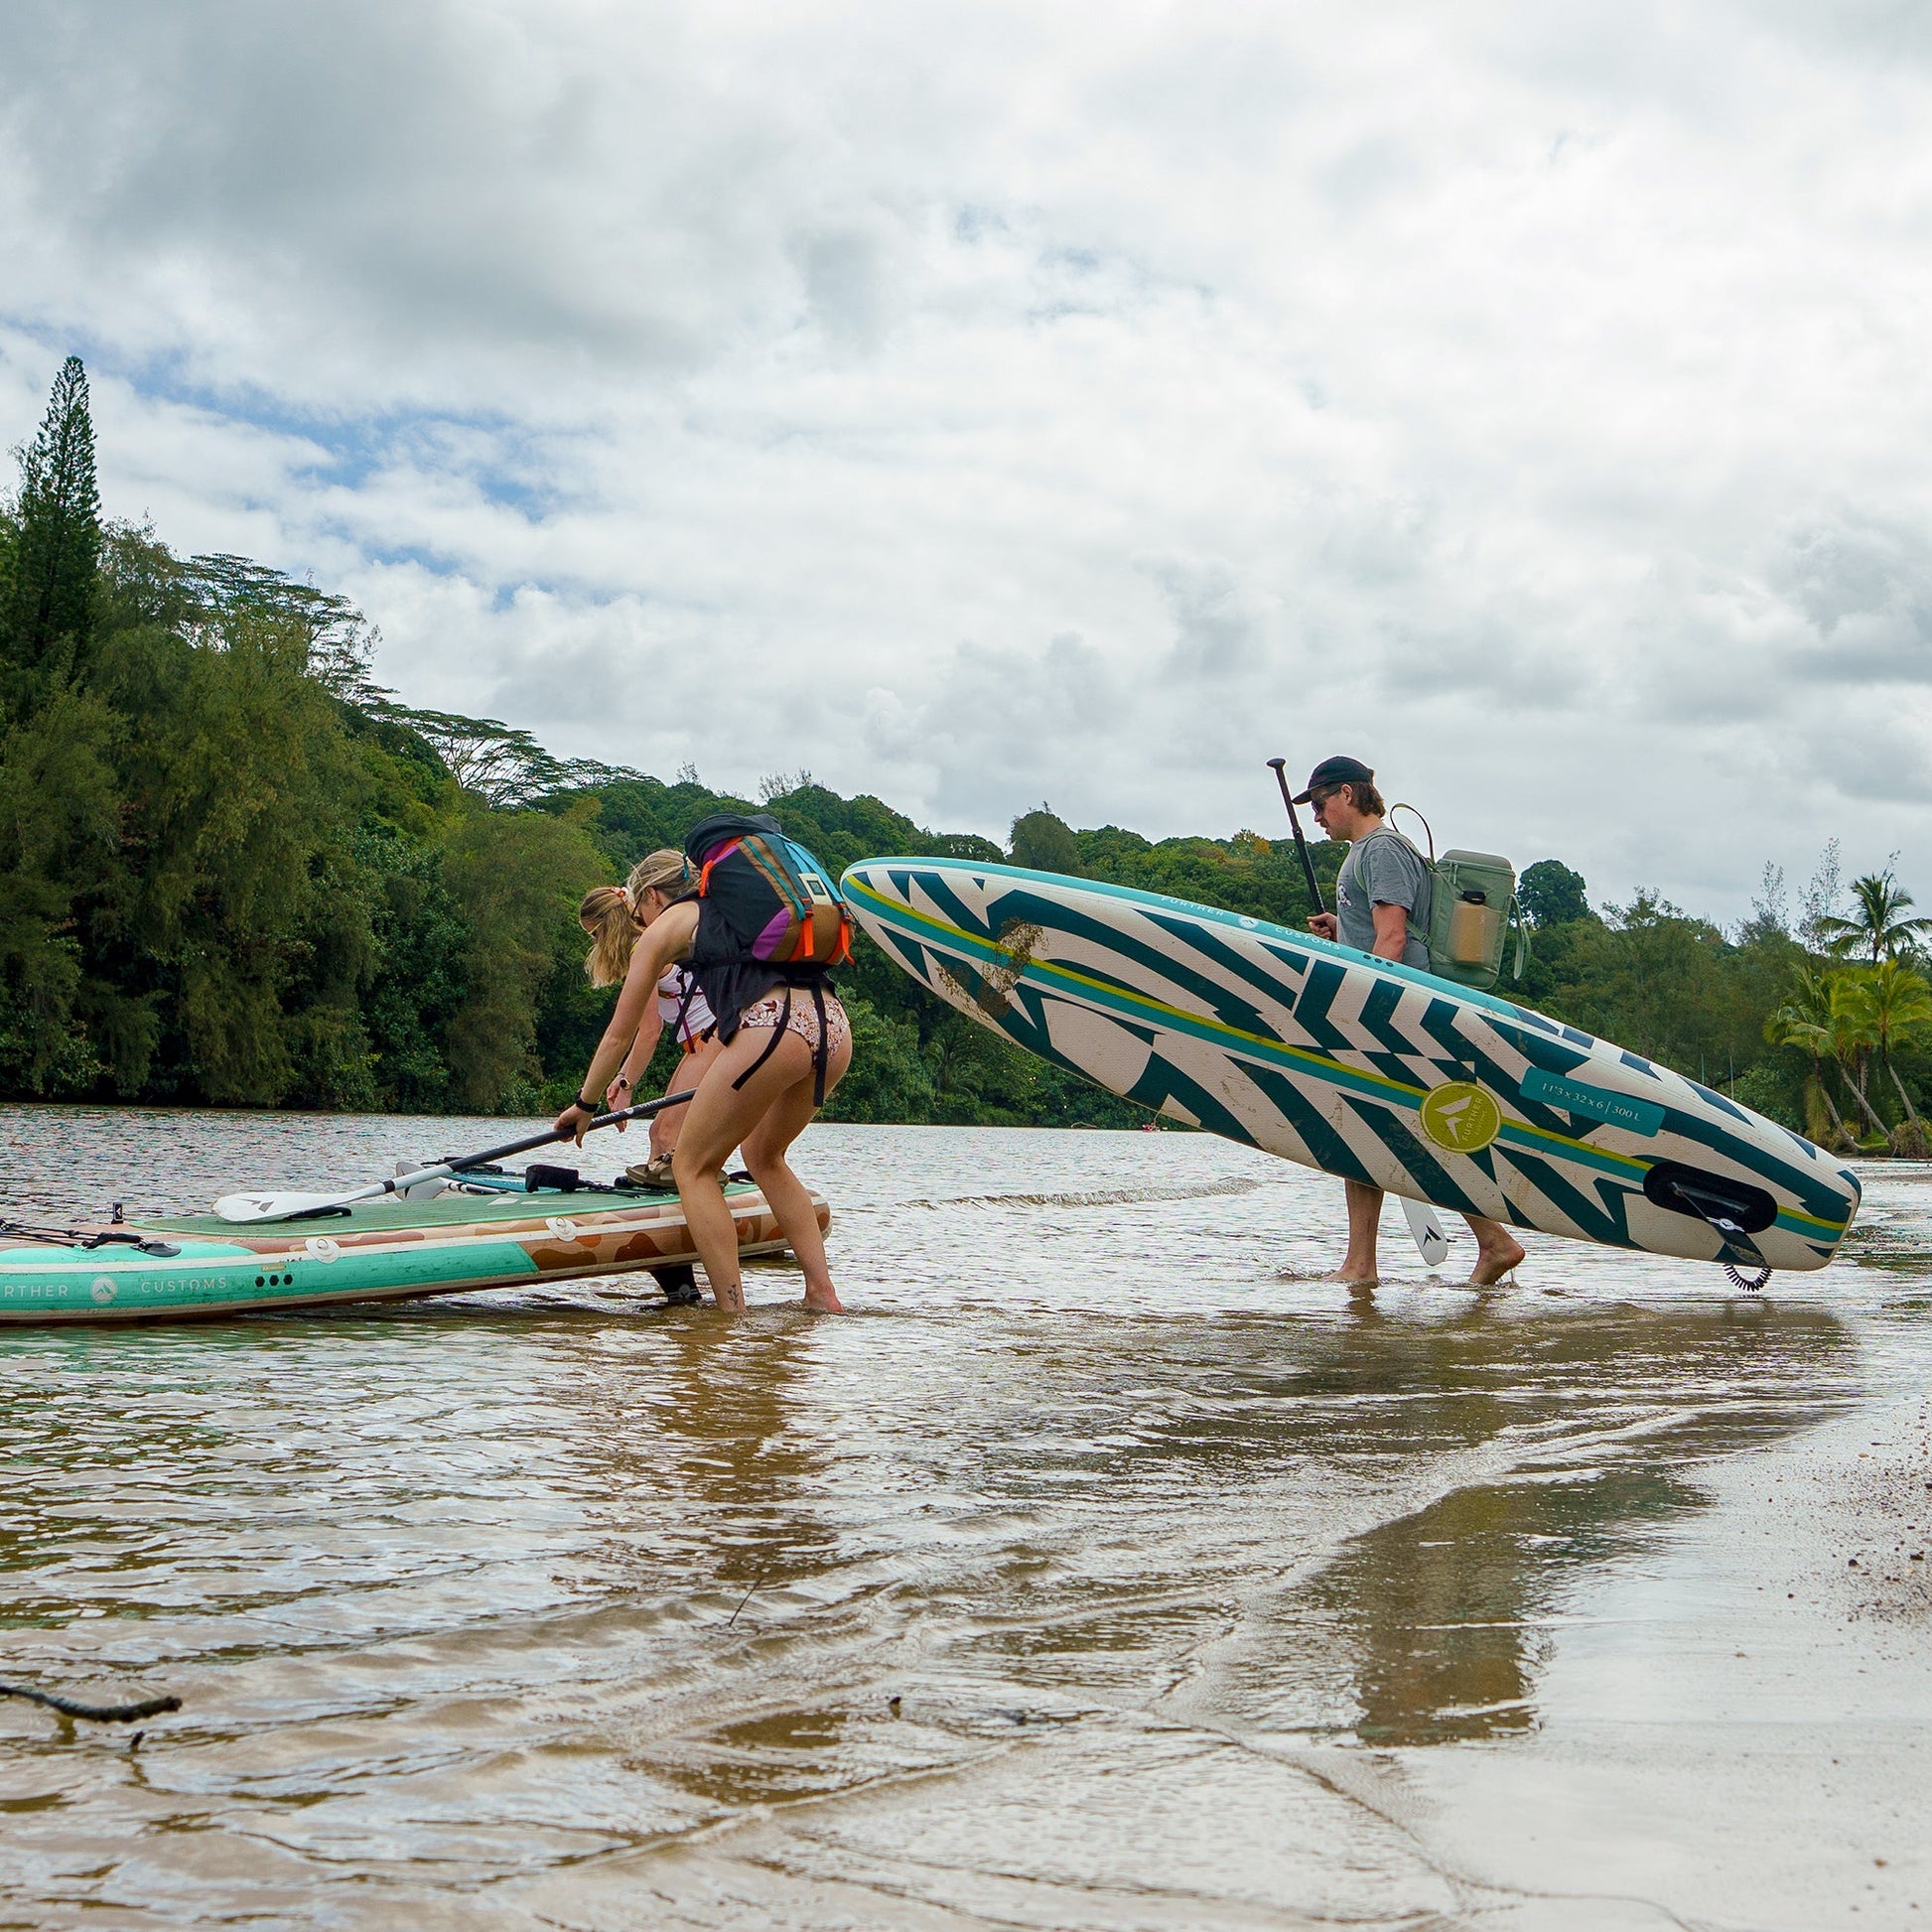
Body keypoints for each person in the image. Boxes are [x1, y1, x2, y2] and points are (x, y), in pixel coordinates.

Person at [555, 820, 851, 1314]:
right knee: (765, 1156)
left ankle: (729, 1314)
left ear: (652, 896)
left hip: (775, 1026)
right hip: (834, 1025)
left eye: (639, 912)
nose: (640, 923)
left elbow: (619, 1034)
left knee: (692, 1167)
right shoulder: (737, 913)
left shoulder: (669, 925)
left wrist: (585, 1104)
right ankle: (823, 1295)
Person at [1294, 755, 1526, 1290]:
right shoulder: (1366, 853)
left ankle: (1489, 1243)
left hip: (1399, 1014)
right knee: (1371, 1129)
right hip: (1396, 1009)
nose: (1317, 817)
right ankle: (1370, 1262)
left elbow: (1394, 938)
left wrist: (1366, 1014)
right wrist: (1343, 931)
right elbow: (1382, 933)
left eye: (1321, 804)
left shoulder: (1382, 849)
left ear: (1347, 793)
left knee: (1393, 1129)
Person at [578, 850, 724, 1190]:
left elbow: (648, 1032)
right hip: (701, 1041)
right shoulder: (651, 943)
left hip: (713, 1038)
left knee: (667, 1133)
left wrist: (625, 1084)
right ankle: (669, 1194)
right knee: (660, 1132)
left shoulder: (644, 951)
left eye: (594, 936)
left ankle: (683, 1198)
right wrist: (622, 1077)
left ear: (608, 929)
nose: (595, 945)